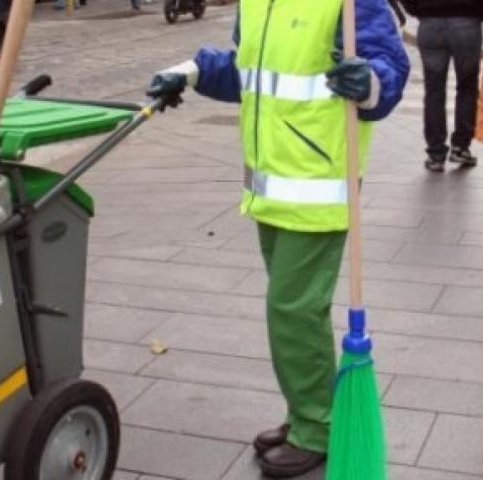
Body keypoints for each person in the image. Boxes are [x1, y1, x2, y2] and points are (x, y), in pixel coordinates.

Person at [146, 0, 409, 476]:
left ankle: (317, 427)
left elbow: (389, 67)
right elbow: (244, 71)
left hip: (319, 185)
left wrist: (370, 84)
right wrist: (187, 73)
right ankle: (303, 411)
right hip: (270, 185)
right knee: (295, 315)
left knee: (292, 309)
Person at [400, 0, 483, 172]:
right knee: (467, 87)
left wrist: (419, 9)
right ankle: (461, 146)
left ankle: (436, 152)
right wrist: (481, 10)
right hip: (467, 21)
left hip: (430, 23)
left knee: (433, 90)